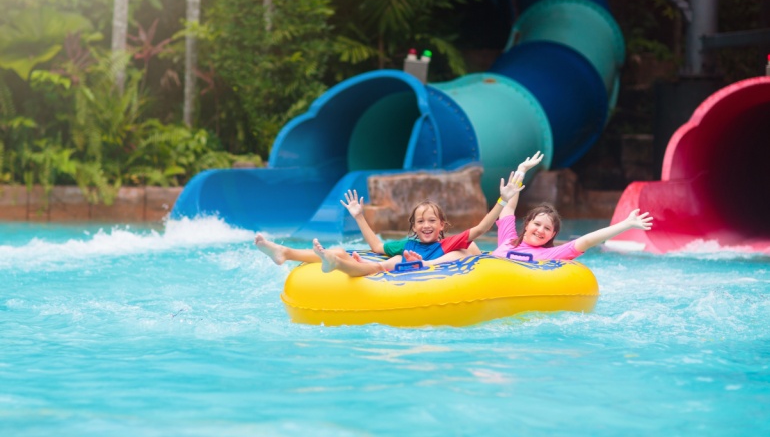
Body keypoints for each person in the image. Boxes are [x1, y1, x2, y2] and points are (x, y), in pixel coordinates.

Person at [255, 165, 529, 276]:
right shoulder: (407, 244)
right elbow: (375, 246)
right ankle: (284, 252)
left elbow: (481, 228)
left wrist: (502, 200)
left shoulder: (449, 245)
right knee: (339, 250)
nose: (426, 225)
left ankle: (335, 263)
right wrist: (359, 216)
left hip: (409, 272)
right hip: (392, 265)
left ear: (442, 225)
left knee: (393, 262)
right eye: (420, 221)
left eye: (432, 220)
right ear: (413, 227)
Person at [490, 199, 653, 261]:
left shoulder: (550, 255)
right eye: (537, 224)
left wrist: (627, 223)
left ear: (552, 235)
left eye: (547, 228)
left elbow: (587, 241)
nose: (540, 230)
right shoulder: (507, 239)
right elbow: (508, 206)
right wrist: (521, 172)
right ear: (527, 224)